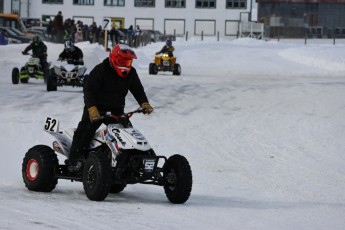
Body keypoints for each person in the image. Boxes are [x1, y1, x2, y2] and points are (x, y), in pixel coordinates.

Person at [67, 44, 154, 172]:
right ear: (113, 59)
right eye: (122, 61)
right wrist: (91, 108)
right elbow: (89, 89)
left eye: (128, 62)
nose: (125, 65)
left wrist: (144, 103)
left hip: (116, 109)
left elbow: (138, 89)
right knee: (84, 131)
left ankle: (136, 159)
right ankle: (75, 161)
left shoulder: (131, 73)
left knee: (128, 133)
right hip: (96, 109)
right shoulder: (101, 70)